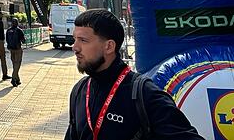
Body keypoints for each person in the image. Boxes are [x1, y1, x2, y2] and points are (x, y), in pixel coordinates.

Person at [65, 9, 203, 140]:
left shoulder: (144, 93)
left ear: (109, 46)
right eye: (75, 39)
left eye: (83, 40)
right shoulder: (80, 90)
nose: (75, 47)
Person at [6, 17, 27, 86]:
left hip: (11, 49)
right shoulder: (19, 30)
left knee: (14, 65)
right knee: (17, 65)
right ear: (17, 23)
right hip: (18, 49)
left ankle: (17, 79)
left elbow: (7, 40)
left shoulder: (8, 30)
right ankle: (13, 79)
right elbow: (23, 41)